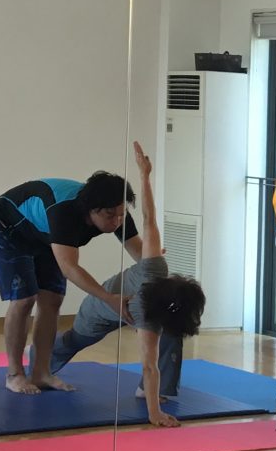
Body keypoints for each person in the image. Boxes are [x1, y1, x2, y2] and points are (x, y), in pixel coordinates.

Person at [48, 141, 205, 427]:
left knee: (173, 334)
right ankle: (39, 360)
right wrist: (154, 415)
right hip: (99, 307)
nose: (118, 220)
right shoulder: (146, 315)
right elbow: (148, 365)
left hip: (133, 304)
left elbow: (148, 219)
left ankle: (156, 392)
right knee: (75, 341)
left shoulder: (156, 266)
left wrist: (145, 176)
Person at [0, 168, 141, 394]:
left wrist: (158, 271)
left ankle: (41, 373)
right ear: (92, 209)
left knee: (52, 299)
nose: (117, 221)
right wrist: (109, 298)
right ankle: (14, 374)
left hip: (45, 236)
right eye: (110, 215)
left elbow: (139, 252)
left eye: (121, 214)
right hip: (8, 229)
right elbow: (69, 268)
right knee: (24, 299)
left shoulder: (115, 210)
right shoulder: (65, 213)